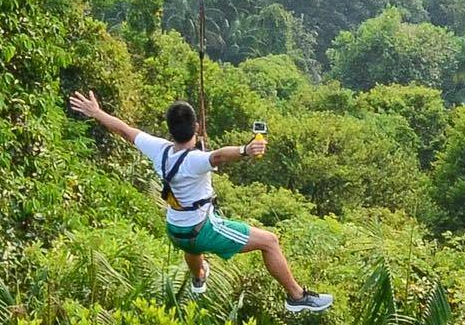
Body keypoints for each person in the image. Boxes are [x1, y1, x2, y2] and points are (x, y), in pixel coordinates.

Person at [69, 91, 333, 313]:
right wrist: (245, 150)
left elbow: (125, 130)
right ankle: (297, 298)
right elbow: (217, 157)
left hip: (175, 230)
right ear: (195, 127)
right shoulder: (196, 161)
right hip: (201, 230)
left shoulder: (158, 149)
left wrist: (97, 112)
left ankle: (198, 277)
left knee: (191, 242)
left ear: (169, 129)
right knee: (269, 241)